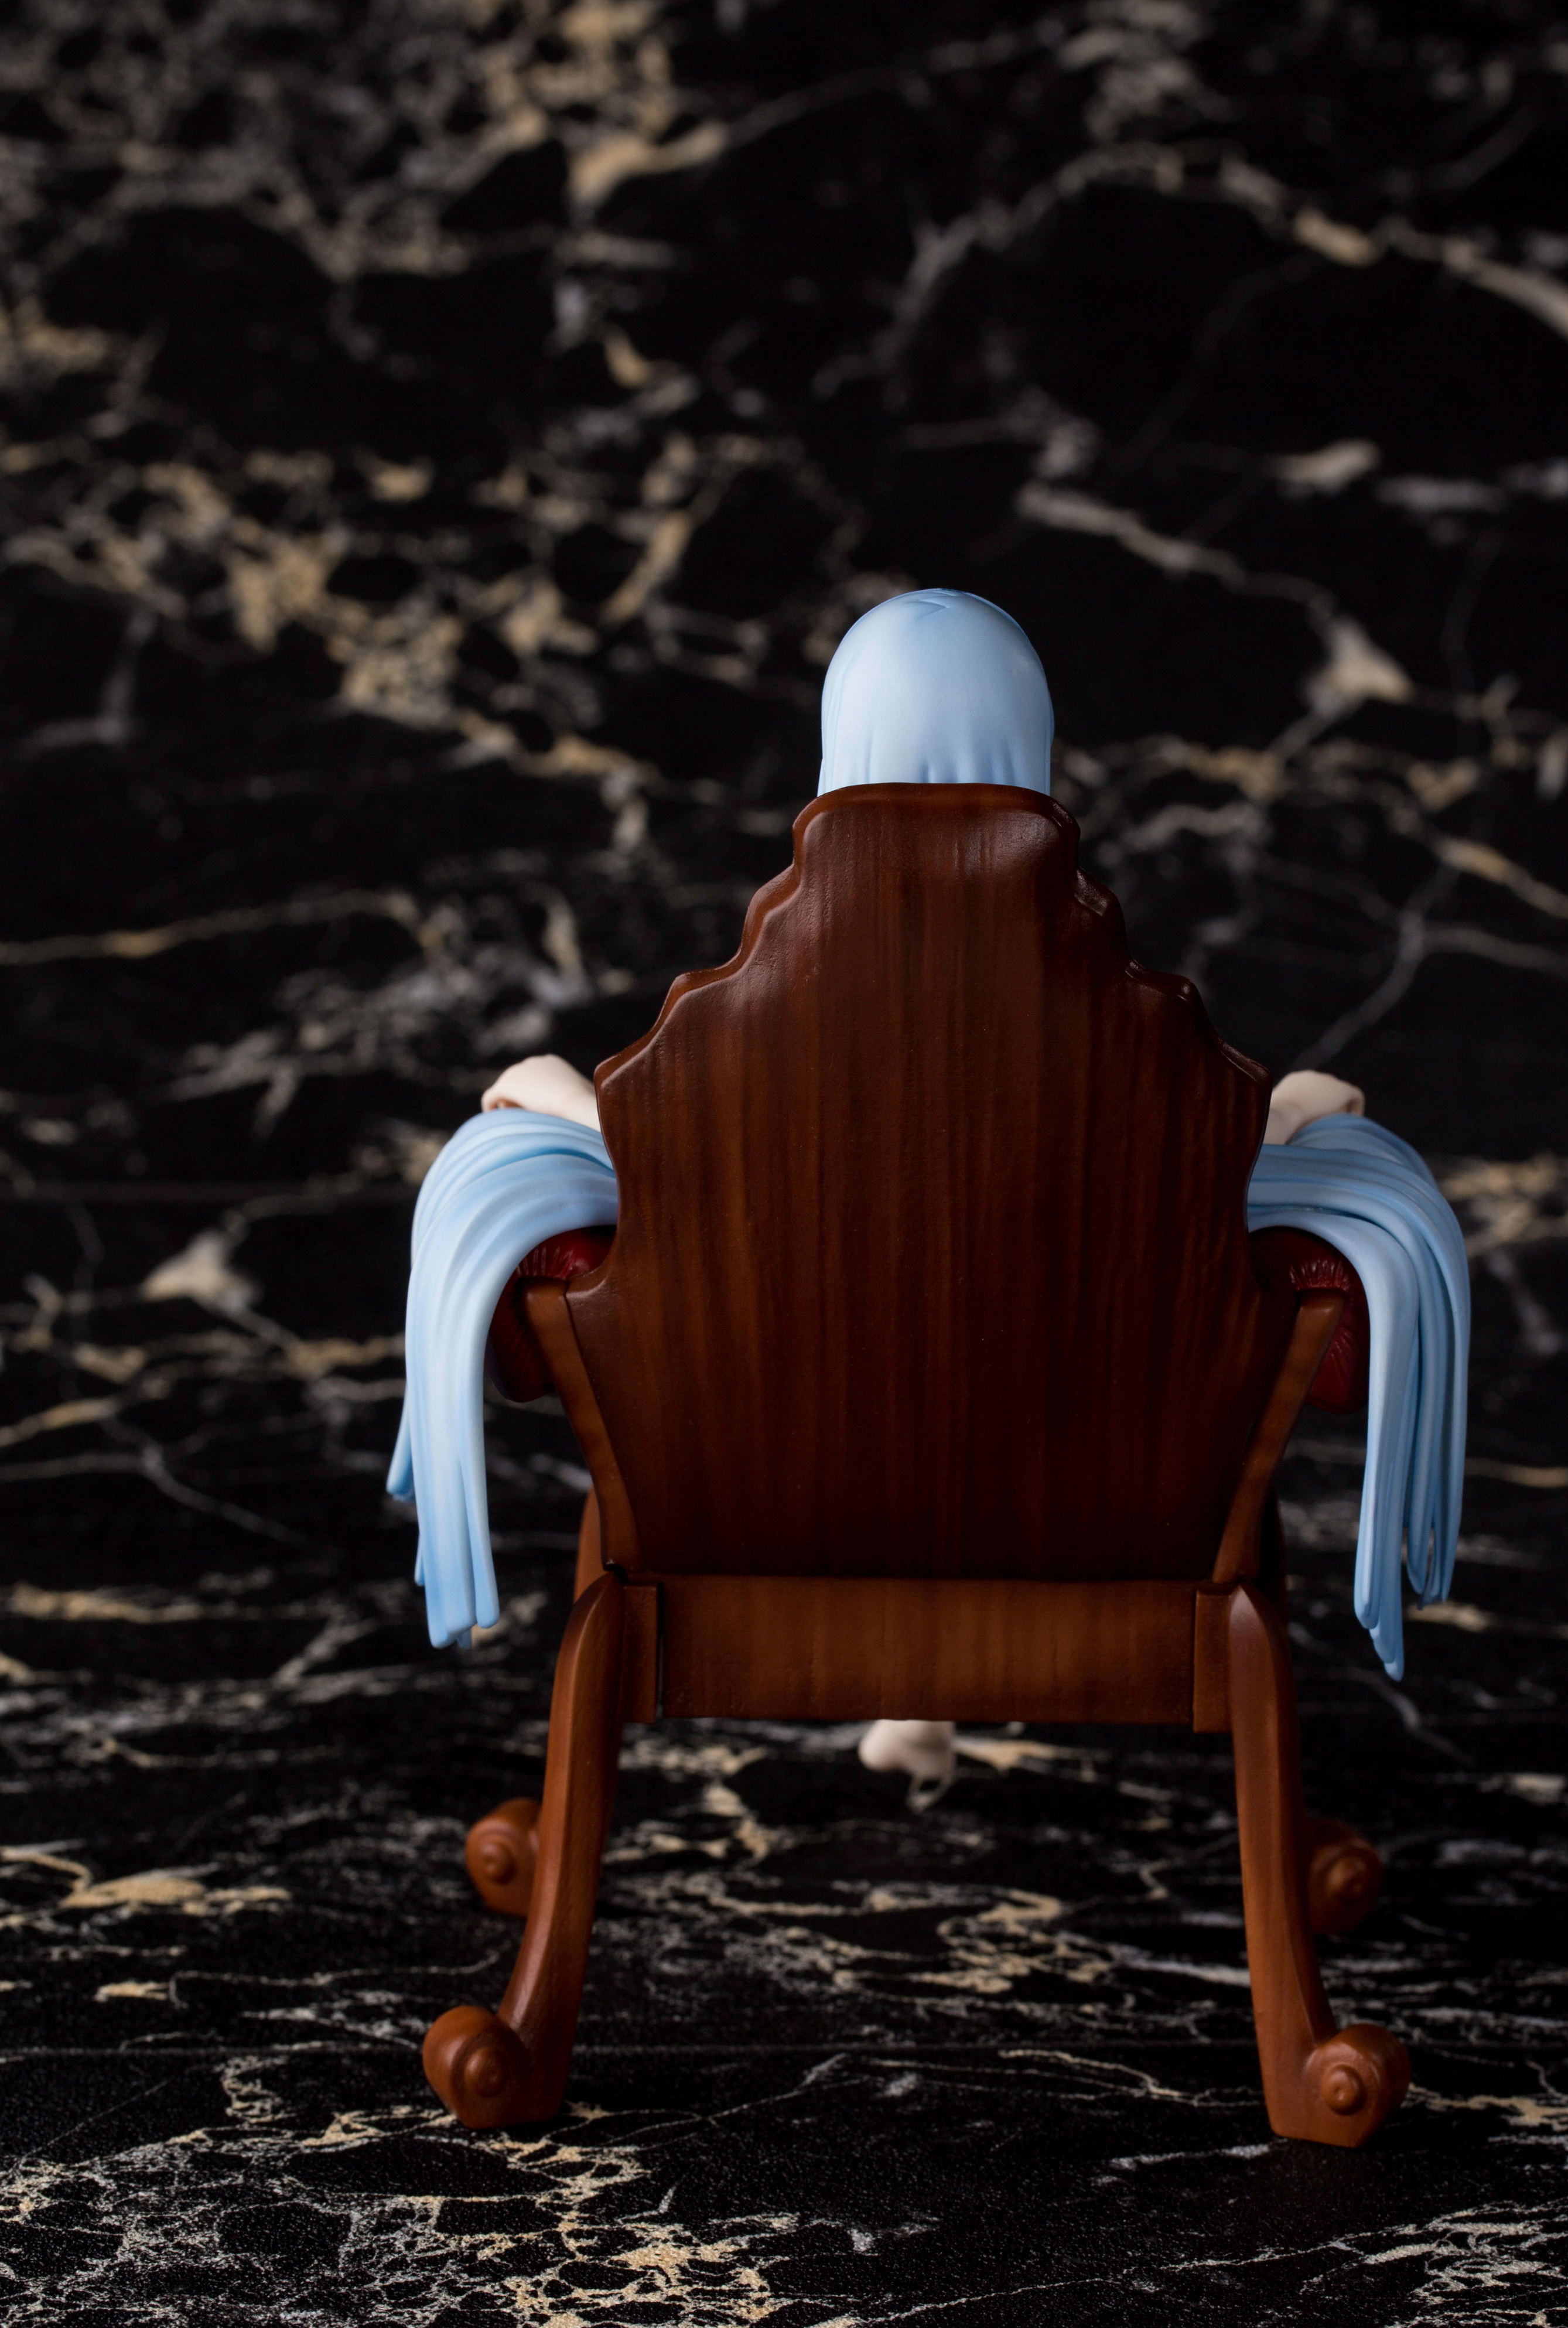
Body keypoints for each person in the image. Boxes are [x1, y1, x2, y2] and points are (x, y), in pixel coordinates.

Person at [476, 589, 1366, 1784]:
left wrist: (550, 1090)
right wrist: (1300, 1104)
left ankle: (908, 1709)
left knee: (868, 1321)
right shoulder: (1140, 1029)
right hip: (1085, 1500)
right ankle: (924, 1713)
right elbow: (1214, 1156)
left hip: (767, 1494)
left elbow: (672, 1153)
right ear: (1038, 756)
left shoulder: (732, 1020)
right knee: (961, 1321)